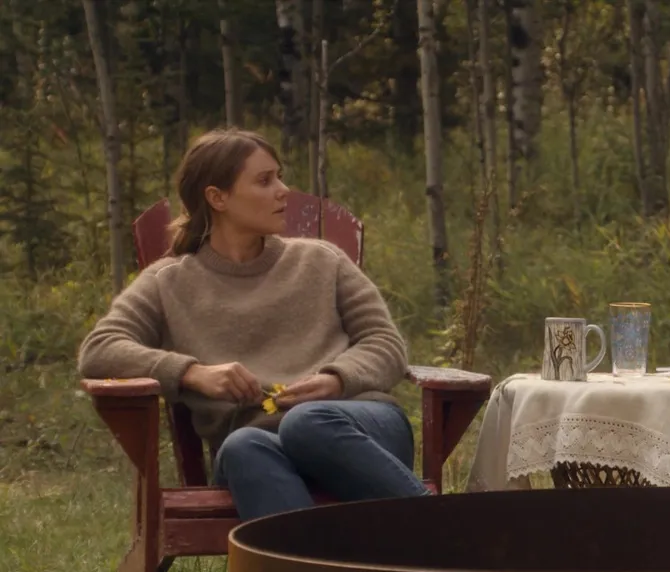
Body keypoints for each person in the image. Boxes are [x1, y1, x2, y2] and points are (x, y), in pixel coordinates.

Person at [77, 128, 428, 521]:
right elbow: (100, 349)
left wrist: (337, 379)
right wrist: (192, 373)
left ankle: (445, 528)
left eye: (279, 176)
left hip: (358, 424)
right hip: (262, 442)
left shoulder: (321, 261)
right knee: (241, 446)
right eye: (265, 180)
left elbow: (385, 342)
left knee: (305, 423)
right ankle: (312, 564)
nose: (283, 190)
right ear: (218, 198)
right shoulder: (168, 282)